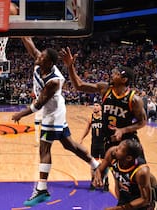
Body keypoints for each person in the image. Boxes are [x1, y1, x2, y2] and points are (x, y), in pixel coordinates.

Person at [60, 47, 157, 210]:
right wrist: (70, 66)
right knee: (118, 176)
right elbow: (79, 85)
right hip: (109, 141)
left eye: (117, 73)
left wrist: (123, 130)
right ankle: (123, 202)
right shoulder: (105, 89)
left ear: (124, 80)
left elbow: (142, 122)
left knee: (142, 172)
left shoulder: (134, 99)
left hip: (128, 142)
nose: (112, 74)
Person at [12, 37, 100, 207]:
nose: (38, 57)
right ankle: (96, 165)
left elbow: (38, 104)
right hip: (54, 111)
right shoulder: (41, 63)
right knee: (69, 145)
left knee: (45, 148)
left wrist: (20, 115)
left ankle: (42, 189)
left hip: (52, 114)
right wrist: (19, 27)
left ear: (50, 62)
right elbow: (32, 48)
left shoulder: (54, 81)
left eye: (42, 56)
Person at [93, 139, 155, 210]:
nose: (116, 149)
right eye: (118, 146)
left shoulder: (141, 171)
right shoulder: (112, 154)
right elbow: (100, 169)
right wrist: (98, 178)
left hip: (140, 202)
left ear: (128, 158)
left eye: (119, 149)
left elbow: (145, 200)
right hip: (125, 194)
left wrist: (117, 209)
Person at [79, 102, 108, 191]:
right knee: (93, 165)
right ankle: (93, 182)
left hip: (103, 145)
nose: (94, 107)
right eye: (94, 105)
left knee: (104, 165)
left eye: (97, 105)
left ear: (101, 108)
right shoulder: (91, 118)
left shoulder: (105, 118)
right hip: (94, 144)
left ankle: (106, 182)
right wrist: (81, 138)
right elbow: (87, 129)